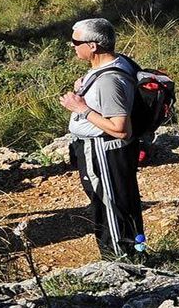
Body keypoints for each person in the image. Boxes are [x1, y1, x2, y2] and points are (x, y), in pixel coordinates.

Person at [57, 18, 147, 259]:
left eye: (76, 41)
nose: (73, 46)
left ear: (93, 46)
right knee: (123, 202)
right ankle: (136, 252)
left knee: (108, 206)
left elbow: (120, 128)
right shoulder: (118, 64)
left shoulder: (108, 80)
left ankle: (120, 260)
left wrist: (81, 109)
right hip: (109, 151)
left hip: (103, 152)